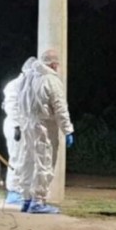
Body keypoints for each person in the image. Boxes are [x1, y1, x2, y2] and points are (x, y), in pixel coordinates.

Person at [16, 49, 74, 214]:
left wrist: (19, 123)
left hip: (28, 124)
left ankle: (26, 199)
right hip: (44, 126)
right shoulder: (51, 80)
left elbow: (18, 101)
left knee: (28, 161)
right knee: (44, 161)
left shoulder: (28, 77)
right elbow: (60, 107)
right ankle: (38, 201)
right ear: (54, 64)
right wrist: (68, 130)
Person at [2, 57, 36, 205]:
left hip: (25, 126)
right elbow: (11, 106)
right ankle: (13, 191)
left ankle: (23, 191)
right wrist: (16, 126)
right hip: (15, 126)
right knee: (17, 158)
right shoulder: (15, 85)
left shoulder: (29, 86)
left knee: (26, 159)